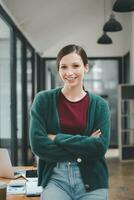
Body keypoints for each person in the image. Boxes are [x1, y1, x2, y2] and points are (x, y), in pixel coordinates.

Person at [29, 44, 111, 200]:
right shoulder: (43, 100)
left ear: (86, 67)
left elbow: (99, 147)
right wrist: (86, 143)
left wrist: (57, 138)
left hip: (92, 180)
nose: (69, 72)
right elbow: (38, 145)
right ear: (58, 69)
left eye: (75, 66)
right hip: (55, 179)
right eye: (63, 67)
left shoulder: (100, 105)